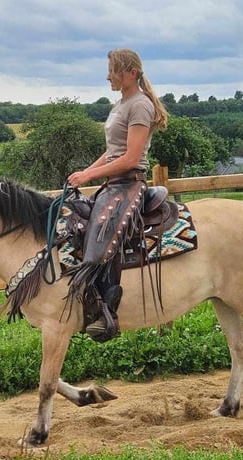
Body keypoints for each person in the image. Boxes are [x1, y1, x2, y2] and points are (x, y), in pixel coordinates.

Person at [65, 48, 169, 342]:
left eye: (113, 70)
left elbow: (131, 158)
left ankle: (106, 310)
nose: (108, 76)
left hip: (129, 183)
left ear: (131, 73)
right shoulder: (121, 104)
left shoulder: (140, 106)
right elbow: (113, 152)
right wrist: (84, 172)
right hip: (113, 183)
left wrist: (88, 176)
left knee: (102, 239)